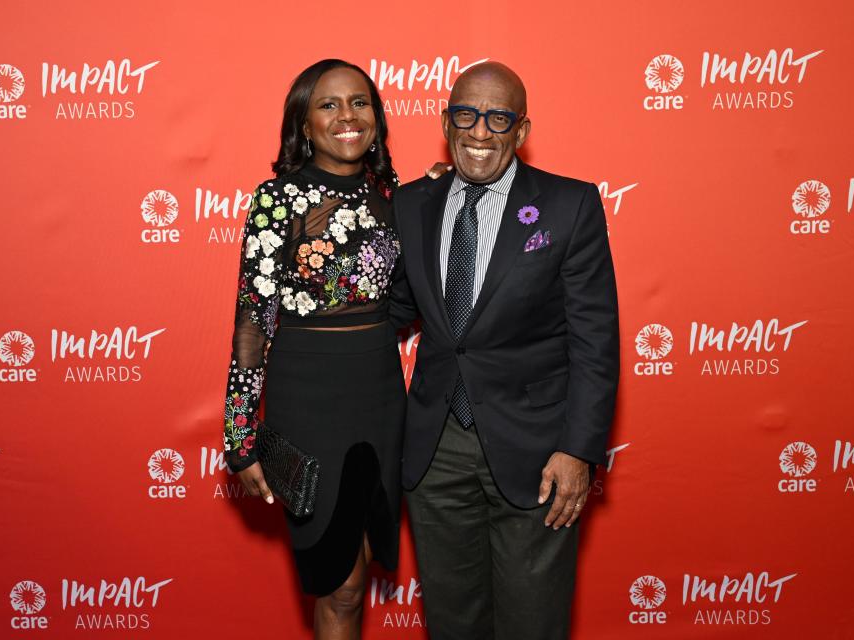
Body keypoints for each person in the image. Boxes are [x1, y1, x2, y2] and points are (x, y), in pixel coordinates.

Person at [389, 62, 620, 639]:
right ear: (446, 121)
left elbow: (595, 338)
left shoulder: (570, 205)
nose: (480, 132)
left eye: (499, 118)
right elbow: (388, 312)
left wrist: (578, 449)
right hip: (435, 449)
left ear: (521, 129)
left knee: (532, 622)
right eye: (466, 114)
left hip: (538, 450)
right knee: (452, 621)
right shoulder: (410, 202)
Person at [223, 59, 405, 639]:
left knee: (363, 569)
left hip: (380, 398)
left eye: (359, 102)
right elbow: (254, 321)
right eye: (328, 105)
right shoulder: (276, 201)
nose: (347, 116)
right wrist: (240, 437)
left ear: (376, 117)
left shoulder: (398, 200)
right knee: (340, 584)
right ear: (303, 124)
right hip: (308, 402)